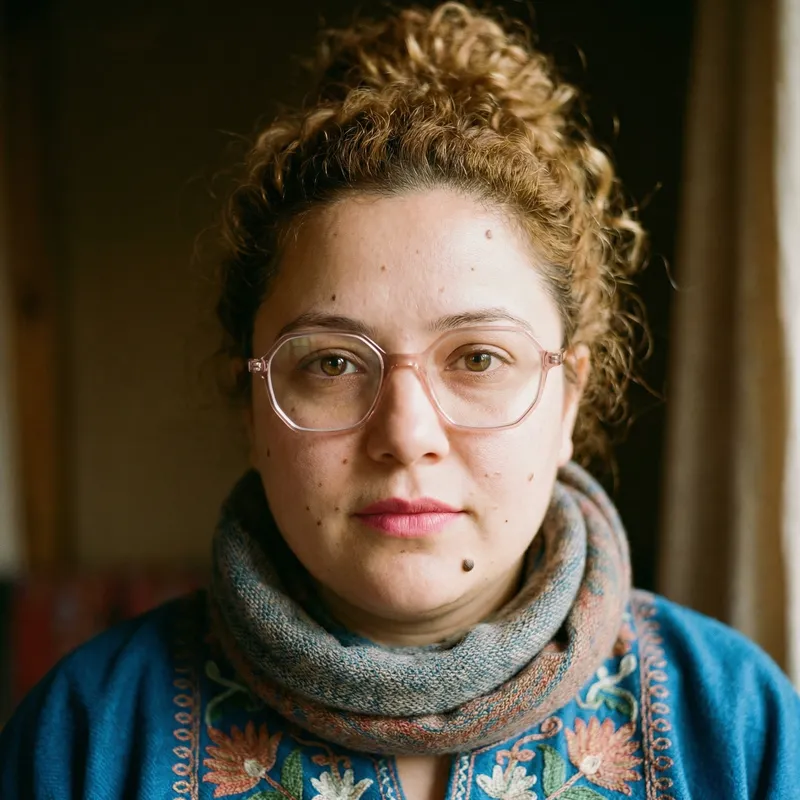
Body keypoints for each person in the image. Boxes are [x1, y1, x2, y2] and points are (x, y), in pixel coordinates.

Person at [1, 2, 799, 798]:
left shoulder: (736, 724)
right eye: (335, 362)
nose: (406, 434)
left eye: (478, 357)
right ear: (251, 407)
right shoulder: (84, 736)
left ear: (567, 400)